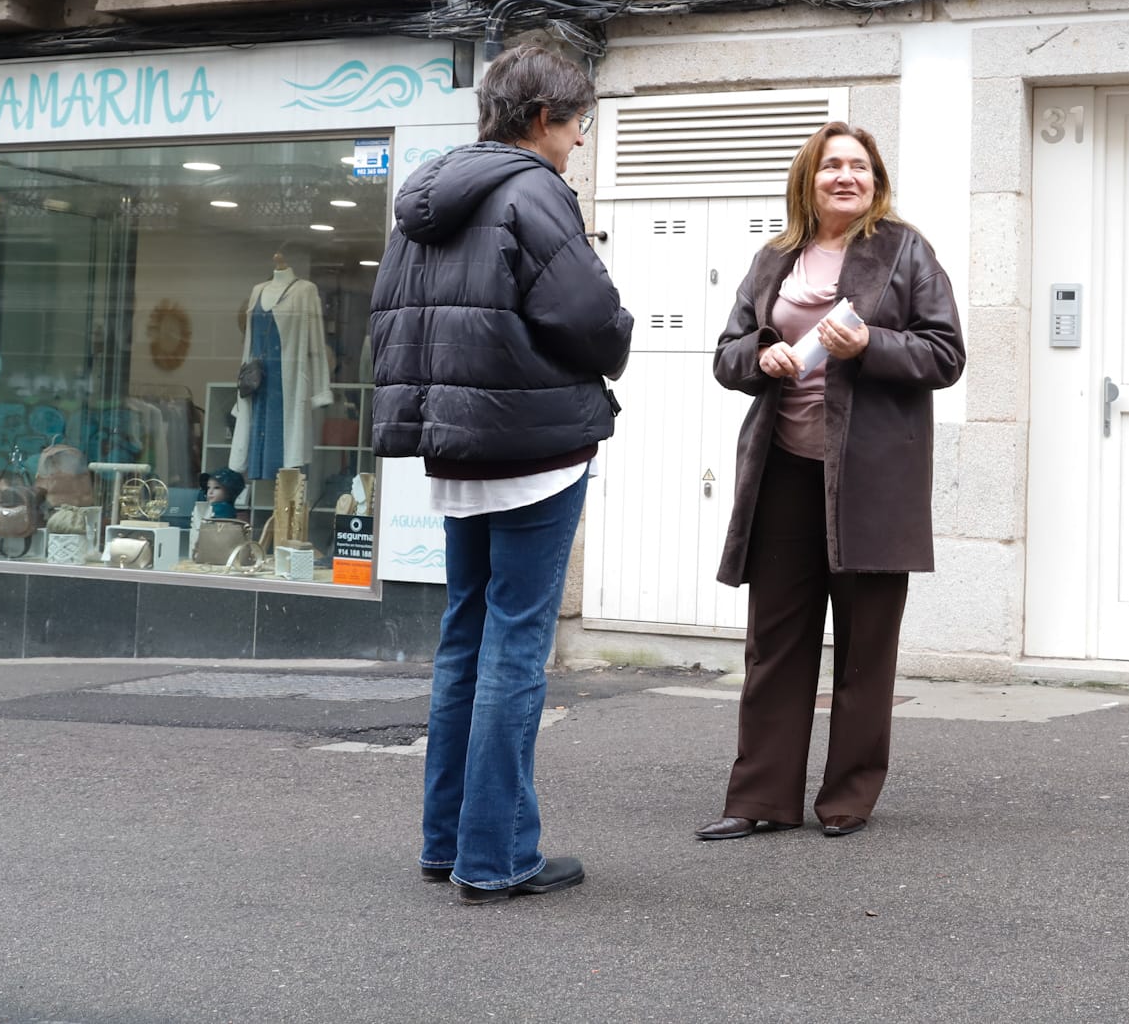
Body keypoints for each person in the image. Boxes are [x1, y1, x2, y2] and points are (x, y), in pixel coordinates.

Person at [370, 45, 632, 904]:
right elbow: (591, 318)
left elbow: (396, 321)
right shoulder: (533, 191)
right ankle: (497, 857)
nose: (581, 141)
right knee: (517, 646)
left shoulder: (428, 196)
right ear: (540, 120)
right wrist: (621, 332)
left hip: (458, 447)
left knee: (464, 638)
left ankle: (447, 842)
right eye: (577, 122)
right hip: (533, 449)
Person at [696, 122, 964, 842]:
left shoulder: (905, 250)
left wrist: (873, 343)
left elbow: (946, 355)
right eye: (831, 166)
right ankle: (759, 798)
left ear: (876, 180)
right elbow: (726, 355)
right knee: (775, 642)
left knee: (865, 647)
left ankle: (847, 799)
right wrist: (764, 355)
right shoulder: (773, 258)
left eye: (859, 166)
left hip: (874, 478)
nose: (846, 176)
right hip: (783, 469)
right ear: (807, 179)